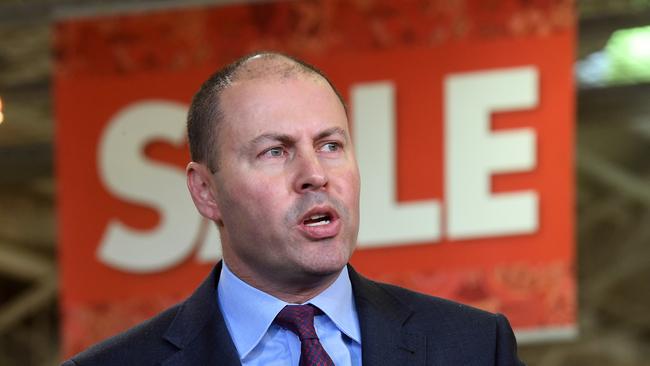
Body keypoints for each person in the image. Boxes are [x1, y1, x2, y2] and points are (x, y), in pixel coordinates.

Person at [62, 52, 525, 366]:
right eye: (275, 152)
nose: (314, 174)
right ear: (205, 191)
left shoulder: (476, 346)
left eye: (330, 144)